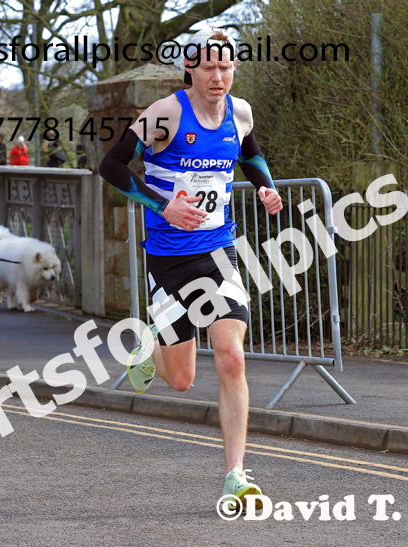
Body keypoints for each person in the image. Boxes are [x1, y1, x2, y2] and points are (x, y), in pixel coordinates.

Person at [98, 26, 282, 510]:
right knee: (180, 380)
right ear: (190, 69)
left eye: (225, 66)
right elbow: (112, 166)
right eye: (207, 67)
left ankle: (235, 475)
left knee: (232, 356)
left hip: (219, 251)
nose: (218, 76)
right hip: (169, 258)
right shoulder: (164, 115)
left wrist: (265, 186)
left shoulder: (239, 112)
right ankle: (149, 345)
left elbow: (251, 153)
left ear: (234, 68)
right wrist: (163, 206)